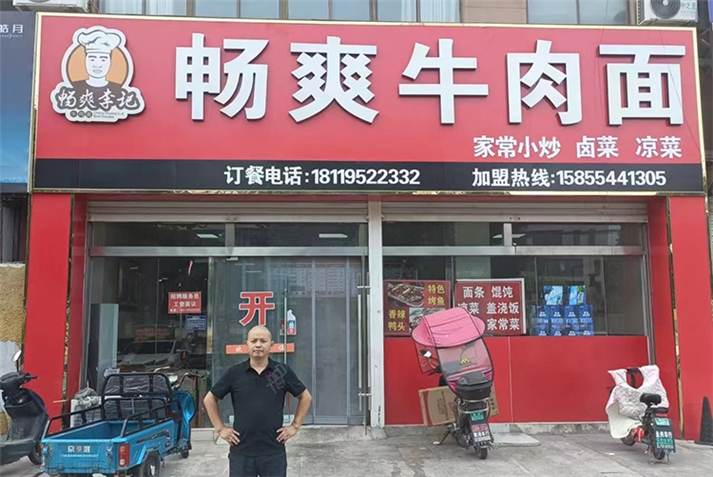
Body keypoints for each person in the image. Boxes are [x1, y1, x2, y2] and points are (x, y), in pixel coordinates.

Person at [204, 326, 312, 477]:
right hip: (241, 452)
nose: (258, 345)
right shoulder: (234, 373)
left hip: (273, 452)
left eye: (263, 341)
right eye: (254, 341)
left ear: (271, 345)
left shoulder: (281, 372)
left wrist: (294, 426)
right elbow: (209, 399)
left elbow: (305, 397)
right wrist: (221, 429)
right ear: (246, 344)